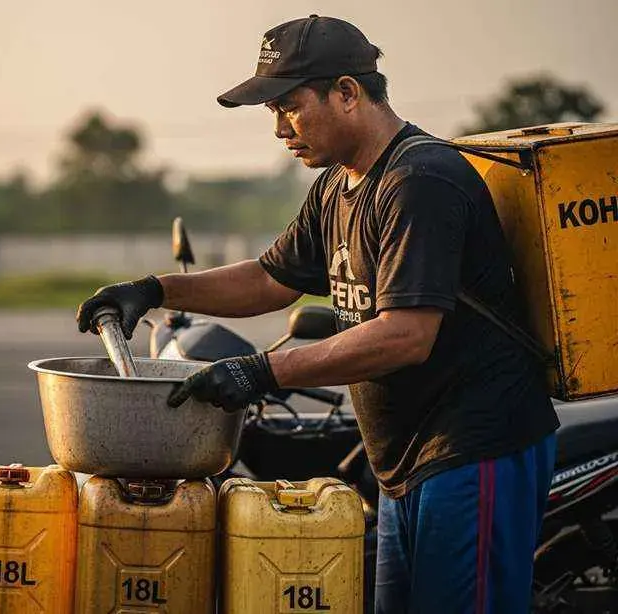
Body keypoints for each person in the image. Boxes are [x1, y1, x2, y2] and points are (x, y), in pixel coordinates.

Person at [75, 15, 559, 614]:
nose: (279, 128)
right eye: (271, 112)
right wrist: (153, 290)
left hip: (474, 449)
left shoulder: (419, 182)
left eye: (289, 107)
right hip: (405, 459)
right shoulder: (338, 185)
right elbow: (270, 279)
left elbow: (406, 336)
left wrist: (262, 372)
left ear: (348, 93)